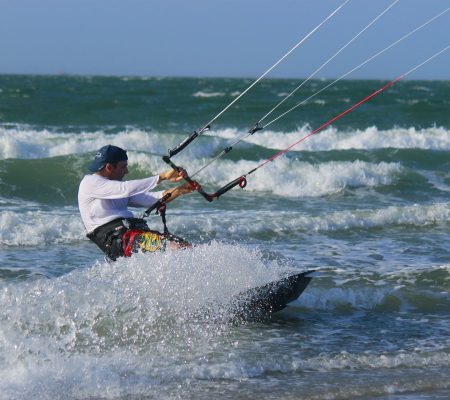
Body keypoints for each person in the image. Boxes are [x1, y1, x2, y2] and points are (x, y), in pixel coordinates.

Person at [78, 144, 196, 260]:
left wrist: (180, 190)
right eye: (123, 166)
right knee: (176, 248)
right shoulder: (90, 182)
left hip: (132, 233)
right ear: (109, 167)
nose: (127, 171)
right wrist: (162, 176)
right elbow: (126, 188)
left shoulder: (115, 188)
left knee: (188, 247)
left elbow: (153, 199)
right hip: (117, 240)